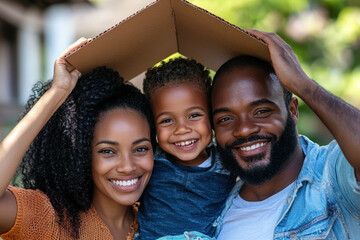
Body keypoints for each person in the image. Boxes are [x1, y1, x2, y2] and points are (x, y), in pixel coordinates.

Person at [0, 38, 156, 239]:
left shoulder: (162, 221)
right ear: (82, 155)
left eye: (141, 149)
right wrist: (58, 93)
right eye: (108, 151)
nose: (127, 166)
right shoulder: (50, 219)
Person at [211, 30, 360, 239]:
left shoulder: (333, 177)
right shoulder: (214, 209)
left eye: (261, 111)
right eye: (225, 119)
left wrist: (303, 84)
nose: (244, 129)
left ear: (292, 111)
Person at [138, 57, 236, 239]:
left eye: (194, 115)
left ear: (212, 115)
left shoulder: (227, 162)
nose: (182, 129)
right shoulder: (151, 160)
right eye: (167, 120)